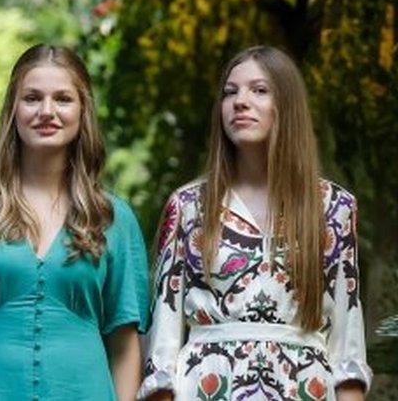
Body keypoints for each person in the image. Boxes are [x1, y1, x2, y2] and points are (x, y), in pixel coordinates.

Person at [0, 44, 150, 401]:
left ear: (82, 110)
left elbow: (125, 345)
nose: (47, 111)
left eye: (63, 99)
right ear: (13, 109)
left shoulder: (113, 219)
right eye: (32, 98)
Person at [140, 46, 373, 400]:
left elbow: (348, 352)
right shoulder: (187, 207)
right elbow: (161, 351)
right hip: (206, 387)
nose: (240, 102)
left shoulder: (335, 209)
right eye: (230, 92)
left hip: (304, 389)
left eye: (259, 90)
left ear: (288, 106)